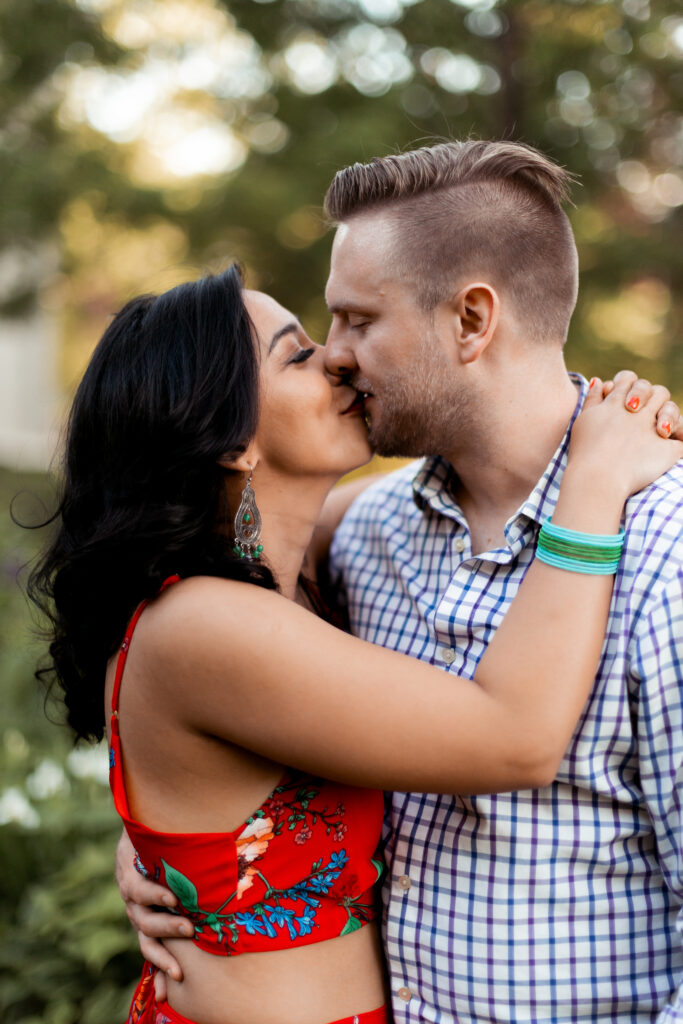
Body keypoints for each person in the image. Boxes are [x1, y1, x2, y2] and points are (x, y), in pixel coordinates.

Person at [30, 249, 680, 1024]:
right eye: (299, 354)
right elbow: (513, 738)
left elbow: (476, 473)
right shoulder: (205, 621)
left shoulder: (302, 564)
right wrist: (594, 479)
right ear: (234, 444)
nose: (338, 359)